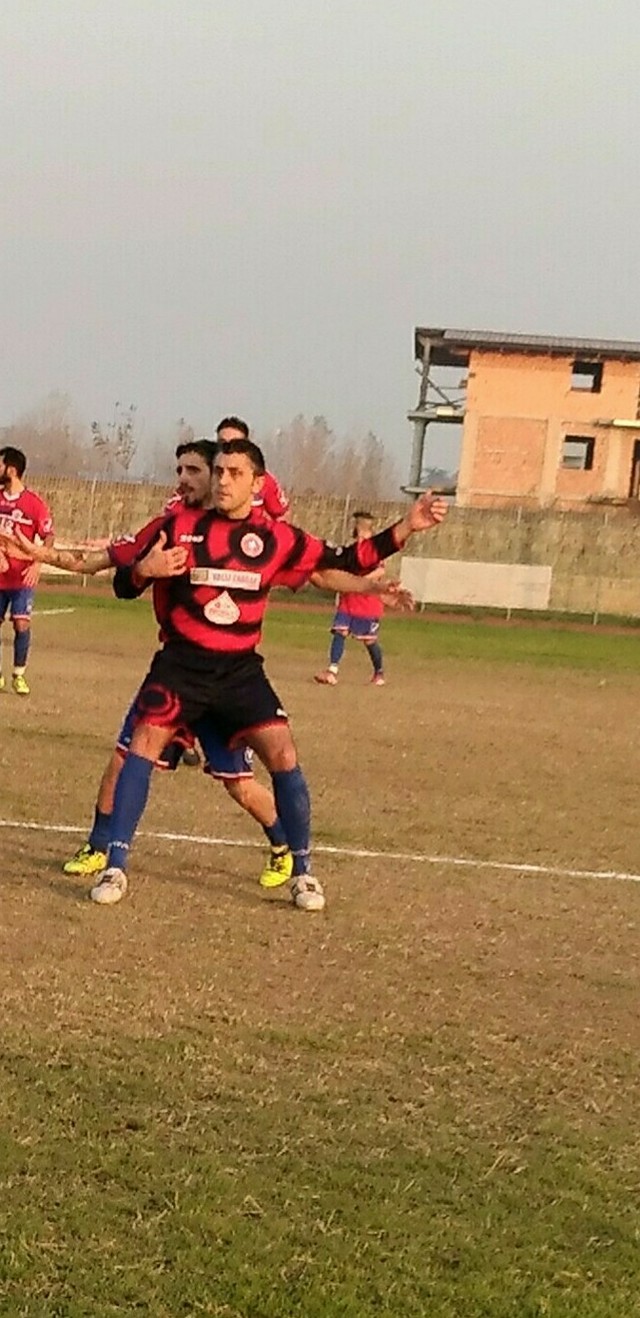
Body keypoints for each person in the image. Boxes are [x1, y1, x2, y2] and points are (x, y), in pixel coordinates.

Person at [6, 439, 413, 899]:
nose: (213, 480)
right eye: (214, 471)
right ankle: (111, 862)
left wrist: (402, 535)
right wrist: (135, 567)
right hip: (180, 666)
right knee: (133, 751)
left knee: (267, 764)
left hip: (238, 672)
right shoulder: (175, 525)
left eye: (223, 472)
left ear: (256, 483)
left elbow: (331, 564)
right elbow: (113, 572)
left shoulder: (273, 537)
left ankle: (298, 866)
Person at [0, 446, 54, 695]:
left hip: (22, 577)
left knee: (21, 624)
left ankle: (19, 674)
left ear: (11, 470)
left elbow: (49, 536)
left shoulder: (34, 504)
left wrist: (38, 563)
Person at [315, 510, 388, 687]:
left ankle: (379, 672)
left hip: (367, 603)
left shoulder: (374, 552)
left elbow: (381, 570)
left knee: (369, 641)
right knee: (340, 631)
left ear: (371, 533)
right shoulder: (350, 551)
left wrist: (361, 582)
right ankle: (332, 671)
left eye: (364, 533)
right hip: (348, 599)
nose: (361, 536)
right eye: (358, 532)